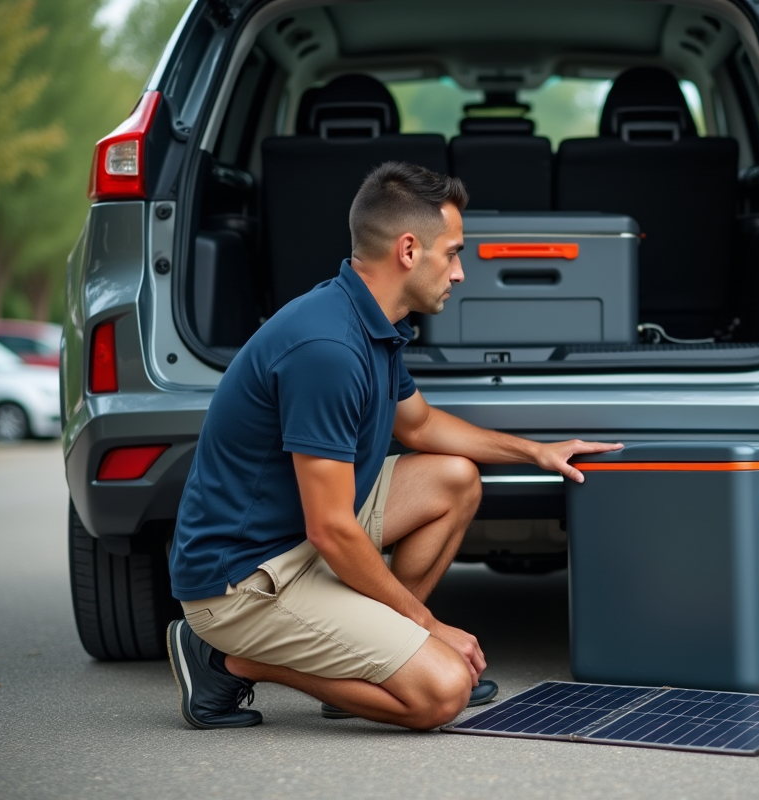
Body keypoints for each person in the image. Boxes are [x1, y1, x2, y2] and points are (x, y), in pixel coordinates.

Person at [165, 161, 620, 731]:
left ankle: (367, 665)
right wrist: (427, 626)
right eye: (452, 253)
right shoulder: (326, 350)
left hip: (296, 538)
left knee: (454, 477)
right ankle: (226, 661)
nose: (459, 273)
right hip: (243, 581)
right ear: (409, 250)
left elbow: (421, 425)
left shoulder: (368, 318)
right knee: (443, 692)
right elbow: (329, 529)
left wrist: (537, 452)